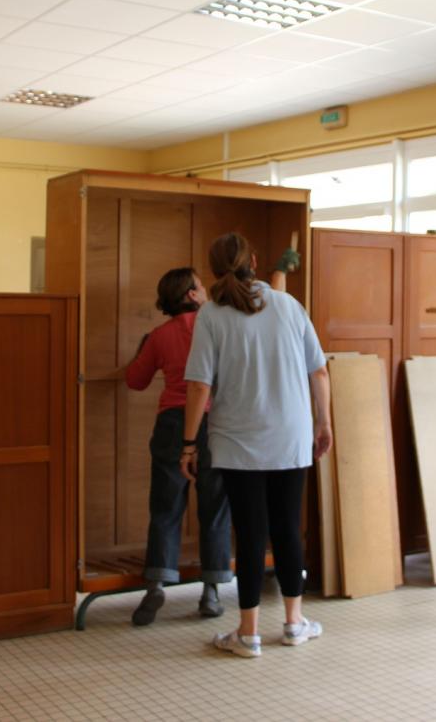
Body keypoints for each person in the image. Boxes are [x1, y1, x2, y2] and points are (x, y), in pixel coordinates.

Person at [181, 233, 330, 658]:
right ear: (256, 260)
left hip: (236, 441)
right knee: (286, 528)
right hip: (291, 437)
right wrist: (323, 423)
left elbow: (198, 386)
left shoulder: (211, 314)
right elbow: (319, 373)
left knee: (248, 534)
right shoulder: (288, 305)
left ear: (212, 269)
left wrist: (188, 444)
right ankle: (294, 622)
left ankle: (247, 634)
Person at [121, 268, 232, 625]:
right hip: (214, 422)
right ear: (191, 295)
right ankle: (211, 592)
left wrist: (142, 350)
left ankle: (156, 584)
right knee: (214, 508)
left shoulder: (159, 336)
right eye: (200, 287)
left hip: (172, 424)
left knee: (166, 505)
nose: (204, 291)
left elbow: (135, 381)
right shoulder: (216, 327)